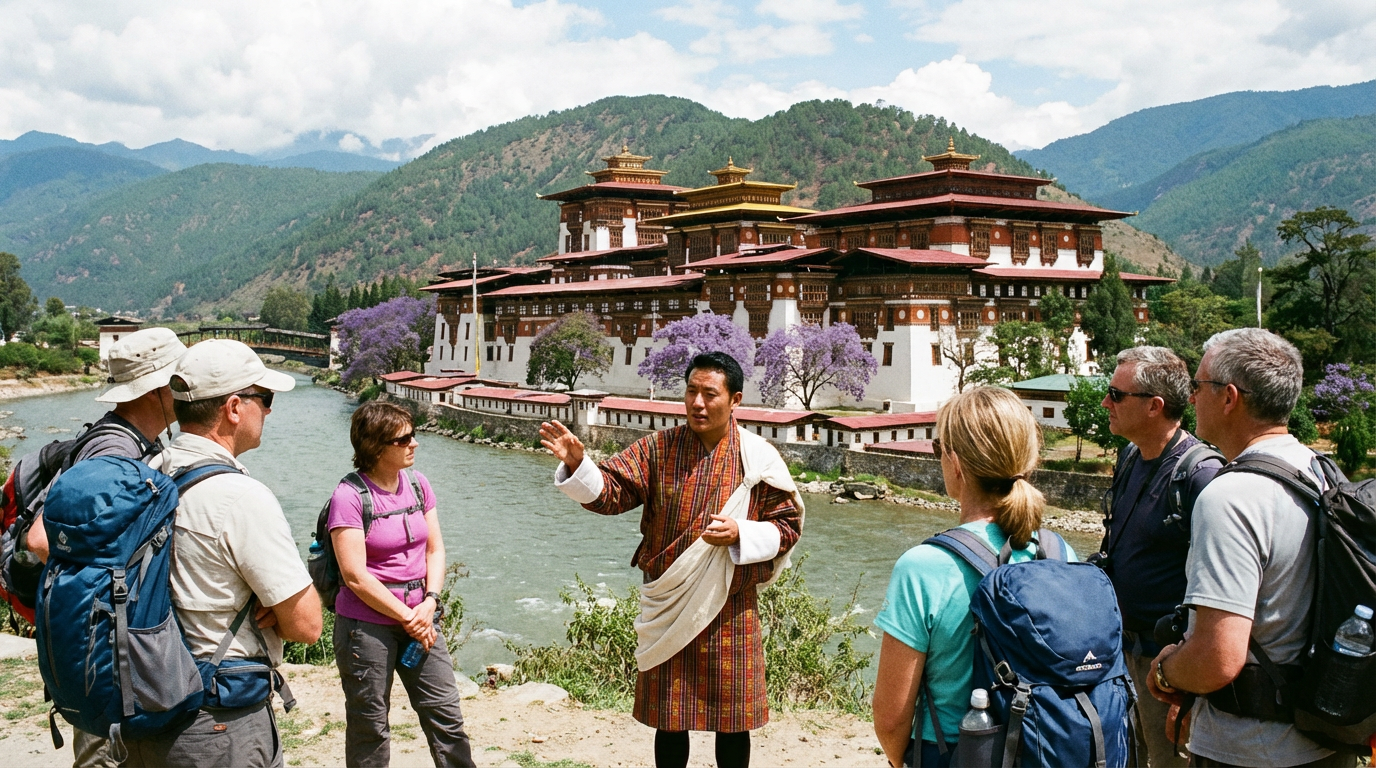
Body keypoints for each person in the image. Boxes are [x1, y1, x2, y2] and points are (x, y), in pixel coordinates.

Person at [539, 351, 803, 768]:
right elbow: (611, 493)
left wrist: (742, 533)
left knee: (733, 723)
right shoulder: (659, 448)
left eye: (710, 394)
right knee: (671, 717)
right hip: (669, 600)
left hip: (729, 604)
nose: (698, 403)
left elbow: (788, 525)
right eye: (691, 391)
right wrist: (578, 463)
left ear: (735, 400)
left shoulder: (757, 457)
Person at [1147, 328, 1352, 767]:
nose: (1191, 397)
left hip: (1250, 749)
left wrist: (1166, 669)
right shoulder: (1321, 473)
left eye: (1197, 386)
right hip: (1325, 735)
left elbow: (1217, 659)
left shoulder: (1231, 497)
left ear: (1229, 397)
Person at [123, 339, 322, 768]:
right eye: (263, 399)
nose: (268, 410)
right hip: (217, 720)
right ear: (234, 408)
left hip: (144, 703)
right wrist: (270, 604)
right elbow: (307, 625)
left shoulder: (146, 473)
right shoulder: (240, 497)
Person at [871, 386, 1077, 768]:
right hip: (1043, 751)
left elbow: (891, 716)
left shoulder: (923, 567)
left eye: (938, 450)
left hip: (954, 751)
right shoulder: (1059, 552)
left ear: (956, 464)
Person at [22, 326, 188, 768]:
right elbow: (40, 539)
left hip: (105, 638)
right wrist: (115, 594)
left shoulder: (129, 440)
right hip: (102, 644)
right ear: (158, 388)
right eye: (179, 380)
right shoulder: (112, 451)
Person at [326, 401, 475, 767]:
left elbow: (435, 550)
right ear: (376, 447)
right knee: (370, 726)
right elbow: (355, 576)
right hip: (366, 628)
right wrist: (409, 617)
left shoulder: (418, 485)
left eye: (414, 434)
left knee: (446, 716)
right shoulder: (349, 496)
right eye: (403, 438)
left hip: (422, 617)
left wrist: (431, 602)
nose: (414, 443)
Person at [1096, 346, 1222, 767]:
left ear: (1154, 406)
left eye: (1116, 394)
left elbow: (1220, 591)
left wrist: (1186, 686)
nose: (1105, 402)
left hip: (1168, 670)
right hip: (1123, 657)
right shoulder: (1131, 455)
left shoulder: (1201, 478)